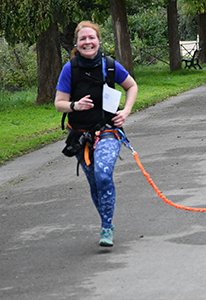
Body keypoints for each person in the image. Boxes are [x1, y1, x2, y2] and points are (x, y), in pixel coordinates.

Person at [55, 21, 138, 247]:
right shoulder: (69, 69)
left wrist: (126, 111)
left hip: (108, 131)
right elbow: (59, 103)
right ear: (76, 43)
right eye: (83, 39)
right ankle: (106, 224)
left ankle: (106, 227)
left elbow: (132, 86)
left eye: (91, 38)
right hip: (80, 136)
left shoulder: (109, 65)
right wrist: (74, 106)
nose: (88, 42)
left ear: (99, 40)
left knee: (102, 174)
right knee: (94, 183)